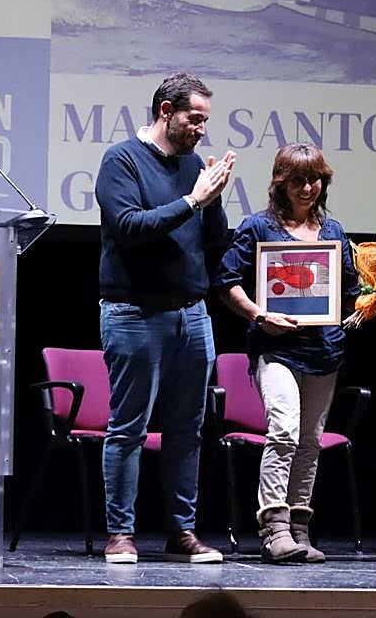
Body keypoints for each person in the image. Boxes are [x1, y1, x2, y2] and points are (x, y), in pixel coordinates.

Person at [215, 143, 376, 563]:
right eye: (298, 180)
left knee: (309, 442)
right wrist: (259, 314)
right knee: (284, 430)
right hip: (276, 348)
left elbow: (352, 297)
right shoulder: (259, 227)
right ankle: (274, 529)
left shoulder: (333, 232)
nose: (307, 188)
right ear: (280, 182)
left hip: (325, 349)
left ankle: (299, 528)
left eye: (314, 179)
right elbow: (227, 281)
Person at [94, 72, 236, 564]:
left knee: (186, 431)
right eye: (194, 119)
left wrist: (213, 201)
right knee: (128, 429)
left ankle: (182, 532)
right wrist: (194, 200)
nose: (201, 129)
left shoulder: (194, 164)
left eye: (205, 121)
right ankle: (121, 533)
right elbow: (130, 227)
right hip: (135, 313)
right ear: (166, 111)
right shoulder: (122, 160)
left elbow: (212, 240)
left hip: (192, 316)